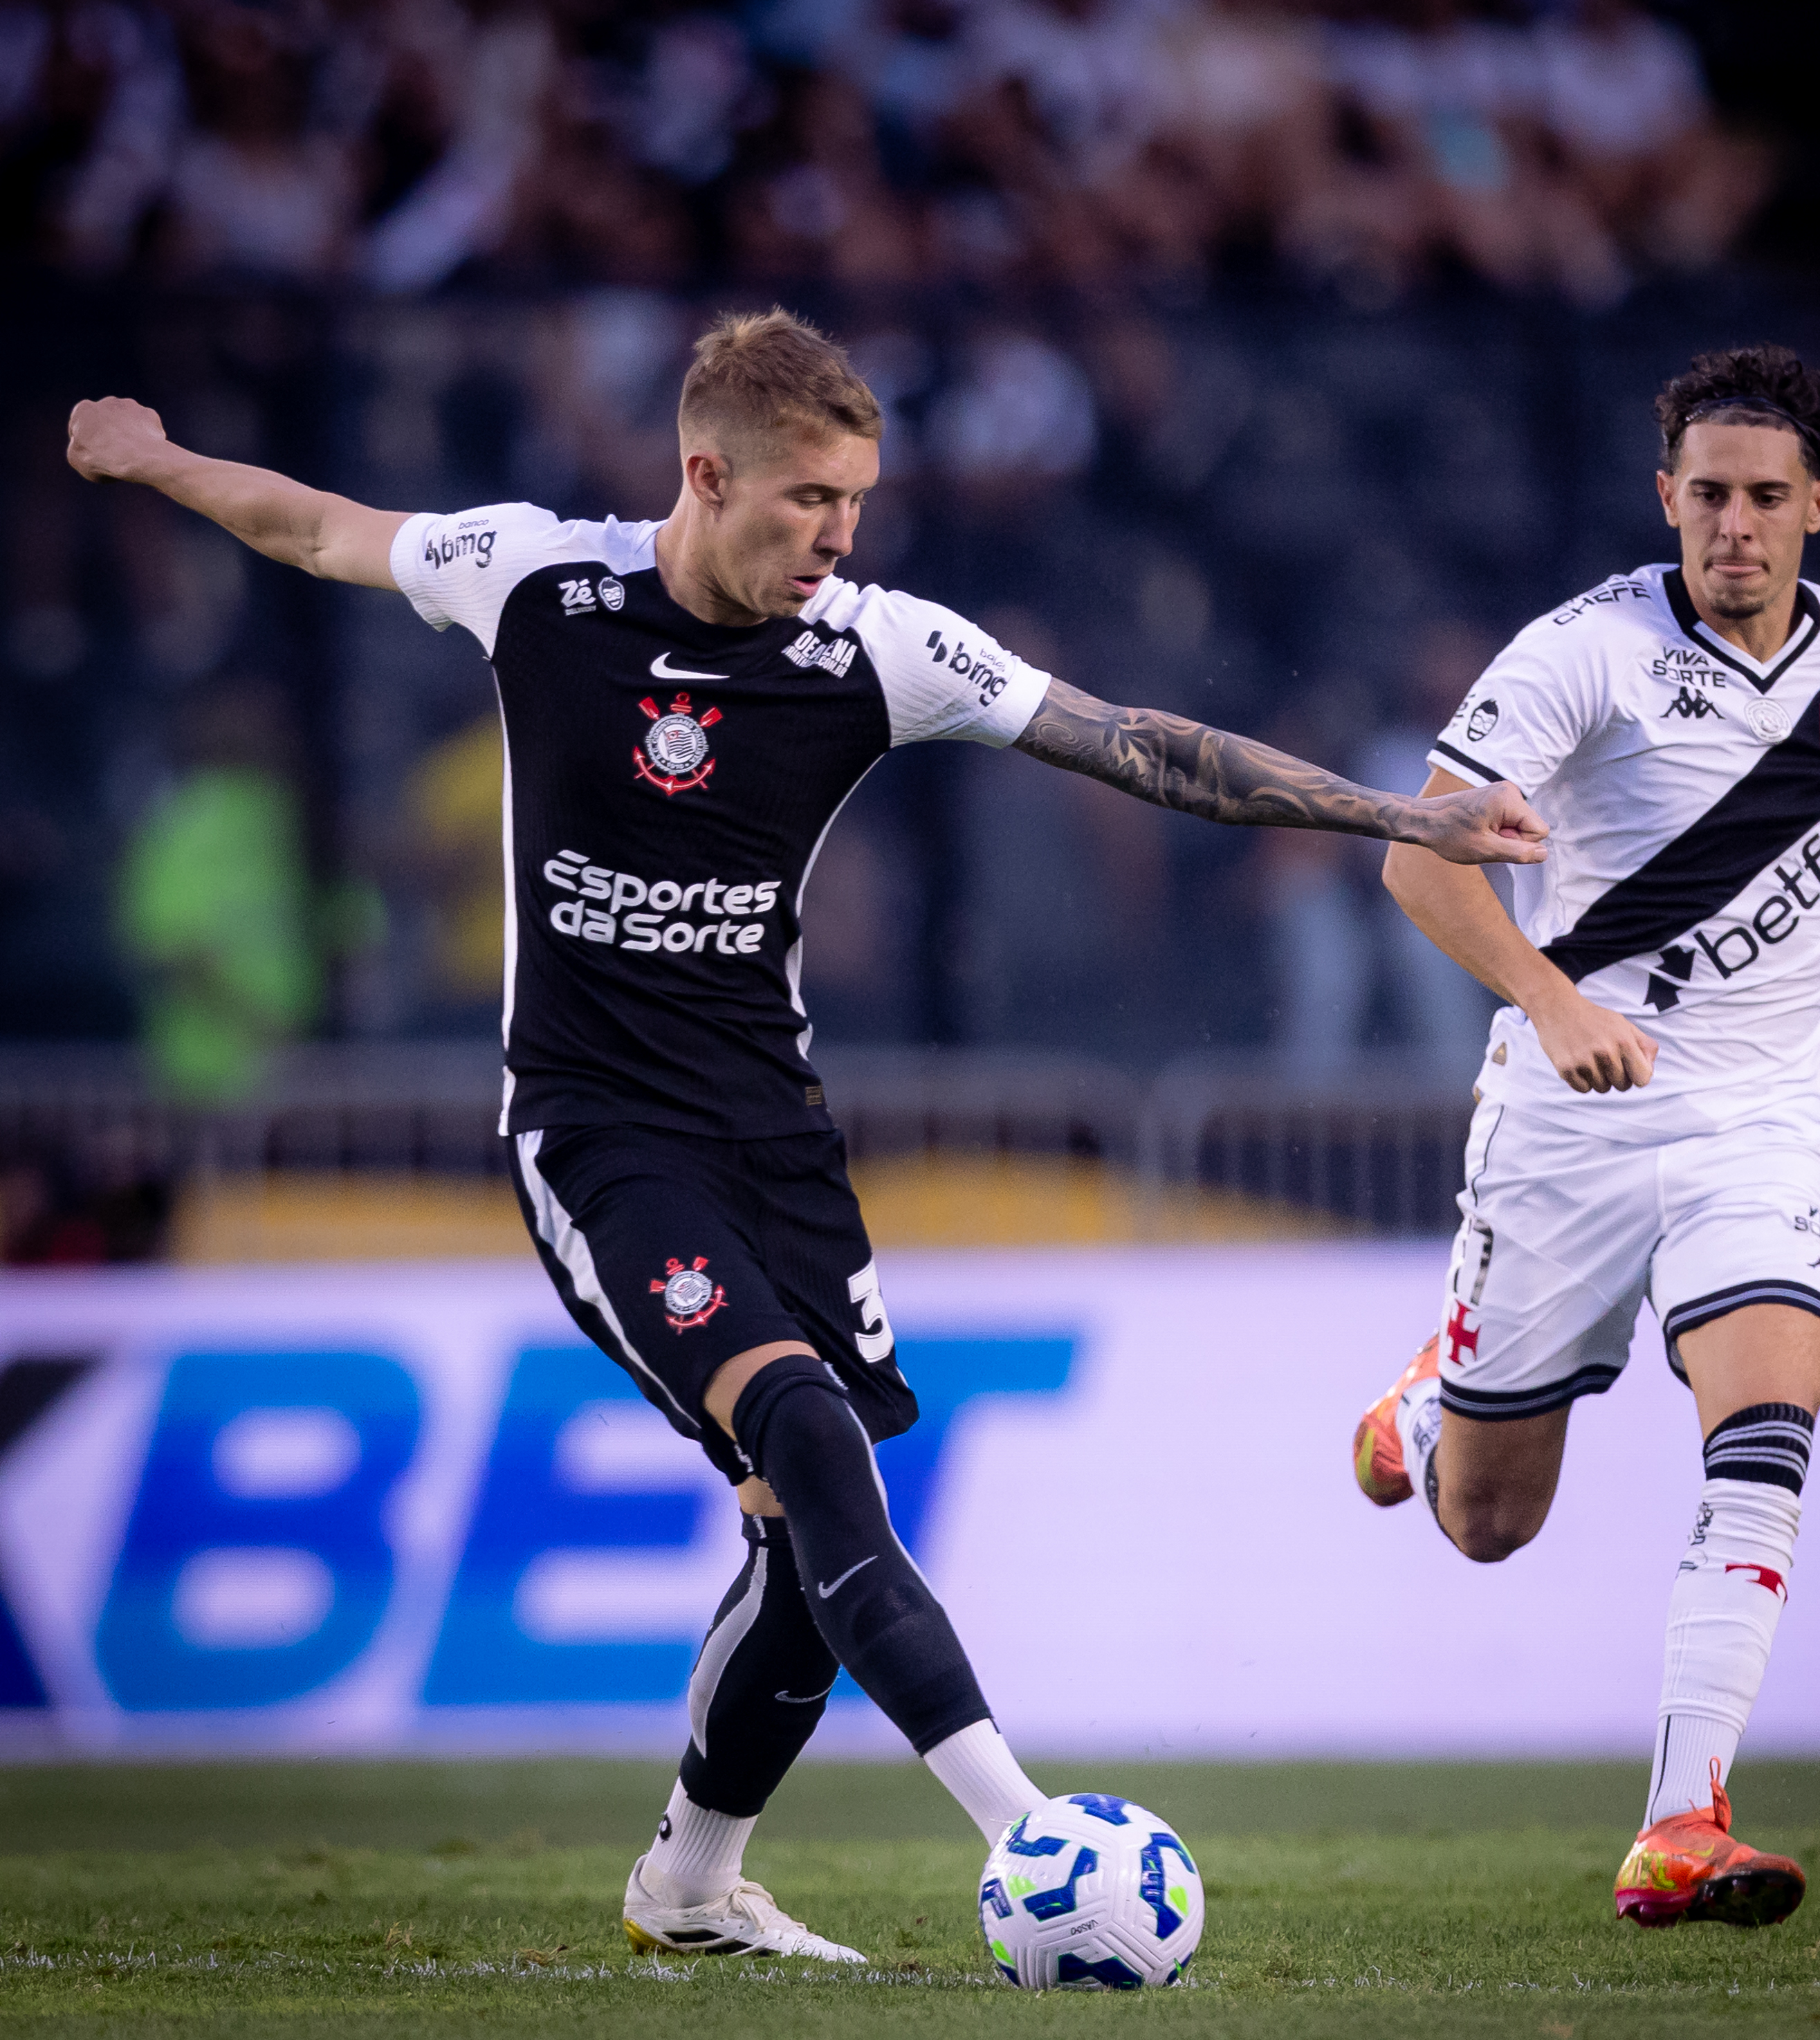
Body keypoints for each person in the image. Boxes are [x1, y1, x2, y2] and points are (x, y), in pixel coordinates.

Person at [68, 307, 1546, 1964]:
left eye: (856, 504)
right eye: (808, 503)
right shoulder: (537, 582)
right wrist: (162, 460)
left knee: (801, 1542)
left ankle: (690, 1887)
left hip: (775, 1144)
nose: (839, 540)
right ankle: (1035, 1834)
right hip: (599, 1139)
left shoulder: (875, 647)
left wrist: (1401, 817)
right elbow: (319, 527)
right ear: (704, 475)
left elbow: (1141, 745)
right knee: (814, 1448)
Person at [1352, 343, 1820, 1929]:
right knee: (1491, 1521)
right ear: (1666, 499)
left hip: (1762, 1125)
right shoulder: (1585, 652)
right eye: (1710, 495)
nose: (1738, 526)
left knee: (1767, 1423)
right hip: (1571, 1119)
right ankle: (1436, 1402)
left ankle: (1682, 1814)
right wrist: (1553, 1000)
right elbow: (1422, 865)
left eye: (1770, 496)